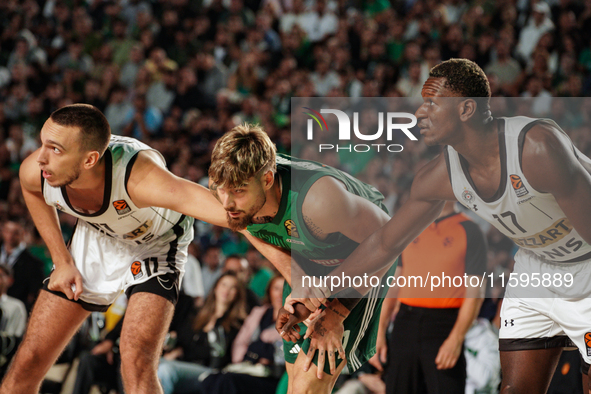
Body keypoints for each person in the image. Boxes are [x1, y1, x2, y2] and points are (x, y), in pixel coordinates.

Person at [305, 58, 591, 394]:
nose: (418, 114)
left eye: (431, 103)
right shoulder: (438, 177)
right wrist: (327, 300)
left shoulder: (536, 148)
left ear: (467, 109)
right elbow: (385, 244)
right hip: (537, 270)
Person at [1, 103, 232, 393]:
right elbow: (30, 188)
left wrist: (297, 261)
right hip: (98, 236)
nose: (41, 158)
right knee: (29, 359)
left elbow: (235, 214)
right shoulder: (38, 169)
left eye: (56, 149)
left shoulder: (142, 179)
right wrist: (61, 260)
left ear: (90, 160)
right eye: (42, 143)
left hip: (155, 245)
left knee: (135, 362)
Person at [208, 124, 396, 394]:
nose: (226, 203)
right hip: (307, 257)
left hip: (362, 258)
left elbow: (389, 240)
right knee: (295, 384)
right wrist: (296, 276)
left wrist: (336, 312)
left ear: (268, 180)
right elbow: (248, 229)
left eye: (237, 191)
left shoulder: (319, 201)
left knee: (310, 384)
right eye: (221, 190)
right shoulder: (231, 196)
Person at [374, 201, 486, 394]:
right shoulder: (409, 227)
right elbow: (394, 284)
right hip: (404, 324)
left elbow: (475, 293)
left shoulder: (470, 230)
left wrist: (456, 339)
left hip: (444, 327)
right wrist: (379, 331)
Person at [157, 271, 246, 394]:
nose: (227, 290)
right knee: (148, 363)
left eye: (233, 287)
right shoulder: (198, 315)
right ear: (216, 288)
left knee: (166, 370)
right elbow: (183, 339)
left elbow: (218, 355)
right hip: (184, 364)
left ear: (237, 294)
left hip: (209, 371)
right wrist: (174, 347)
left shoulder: (237, 324)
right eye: (224, 285)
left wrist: (183, 352)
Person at [201, 275, 286, 394]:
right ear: (269, 291)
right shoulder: (258, 312)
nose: (280, 294)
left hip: (271, 375)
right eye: (276, 289)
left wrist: (255, 349)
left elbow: (282, 351)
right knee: (211, 380)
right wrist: (260, 350)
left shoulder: (295, 319)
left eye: (285, 289)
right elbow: (240, 343)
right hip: (245, 366)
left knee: (229, 381)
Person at [0, 219, 45, 312]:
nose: (10, 236)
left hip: (17, 311)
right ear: (3, 231)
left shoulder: (34, 263)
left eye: (15, 232)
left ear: (23, 233)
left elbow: (34, 294)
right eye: (7, 231)